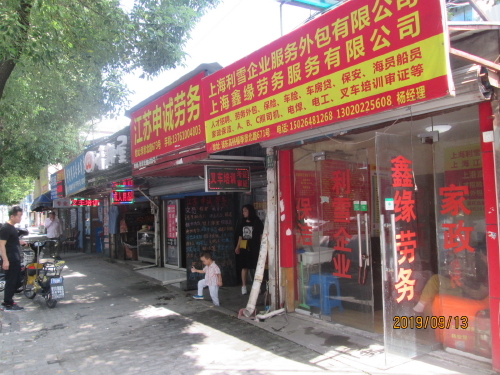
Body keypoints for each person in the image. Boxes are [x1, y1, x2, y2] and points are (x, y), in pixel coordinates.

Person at [413, 245, 489, 313]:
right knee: (433, 282)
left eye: (482, 254)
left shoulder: (487, 273)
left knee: (434, 281)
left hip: (464, 294)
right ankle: (421, 303)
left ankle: (420, 305)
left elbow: (479, 295)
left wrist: (462, 285)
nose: (480, 256)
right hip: (461, 288)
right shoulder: (484, 268)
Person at [0, 206, 27, 311]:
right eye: (19, 216)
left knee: (16, 280)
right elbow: (1, 245)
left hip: (15, 258)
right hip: (10, 259)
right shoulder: (5, 228)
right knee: (11, 281)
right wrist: (5, 260)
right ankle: (7, 303)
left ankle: (9, 300)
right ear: (12, 216)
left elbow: (12, 241)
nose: (20, 218)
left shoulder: (12, 228)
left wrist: (21, 242)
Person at [234, 204, 264, 295]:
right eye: (243, 211)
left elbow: (261, 235)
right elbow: (240, 236)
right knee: (244, 267)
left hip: (254, 247)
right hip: (244, 247)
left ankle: (256, 286)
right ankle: (244, 286)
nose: (243, 213)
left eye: (245, 211)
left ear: (250, 211)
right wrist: (237, 246)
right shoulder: (242, 222)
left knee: (255, 267)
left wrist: (263, 247)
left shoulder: (257, 222)